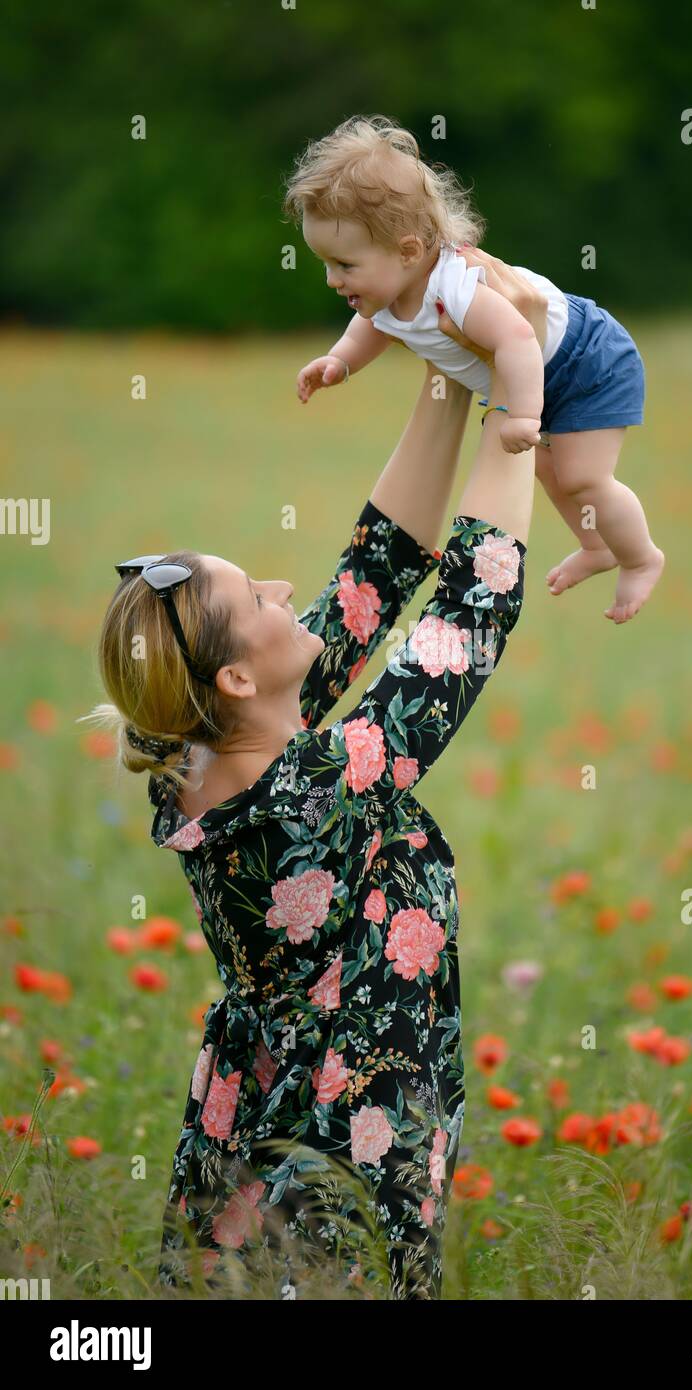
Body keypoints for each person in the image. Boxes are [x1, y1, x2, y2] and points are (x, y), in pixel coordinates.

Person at [82, 255, 547, 1300]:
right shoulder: (312, 791)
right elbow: (467, 614)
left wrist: (447, 359)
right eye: (260, 594)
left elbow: (376, 570)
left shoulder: (211, 754)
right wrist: (517, 411)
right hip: (341, 1121)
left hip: (256, 1105)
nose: (289, 586)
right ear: (240, 673)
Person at [287, 113, 664, 625]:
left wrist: (520, 413)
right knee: (554, 474)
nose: (333, 280)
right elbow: (370, 328)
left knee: (581, 477)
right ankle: (597, 544)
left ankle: (641, 557)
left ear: (409, 250)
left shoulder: (456, 286)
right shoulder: (389, 295)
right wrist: (339, 361)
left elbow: (516, 336)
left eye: (345, 266)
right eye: (326, 265)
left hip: (583, 358)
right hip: (541, 370)